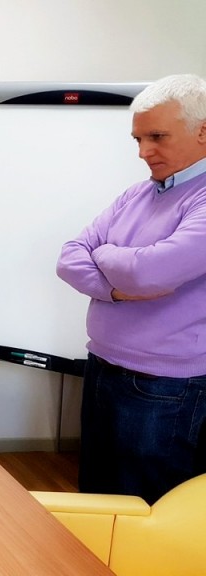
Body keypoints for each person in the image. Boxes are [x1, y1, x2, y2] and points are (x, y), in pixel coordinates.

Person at [56, 73, 206, 503]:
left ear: (203, 131)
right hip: (103, 364)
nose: (143, 152)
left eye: (157, 137)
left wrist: (105, 253)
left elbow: (149, 273)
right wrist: (117, 290)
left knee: (144, 506)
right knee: (98, 495)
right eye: (138, 139)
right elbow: (69, 257)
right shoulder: (138, 194)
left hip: (165, 385)